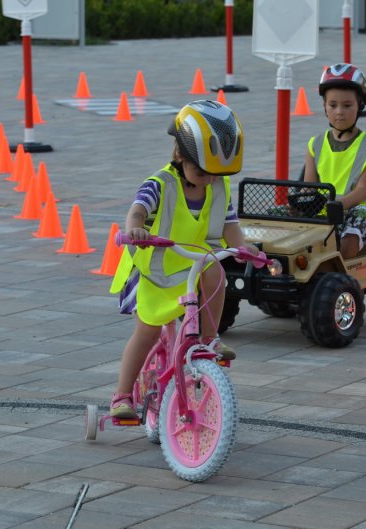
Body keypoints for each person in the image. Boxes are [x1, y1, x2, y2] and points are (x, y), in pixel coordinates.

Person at [108, 100, 258, 419]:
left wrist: (244, 248)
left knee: (216, 270)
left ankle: (209, 339)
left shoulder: (218, 186)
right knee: (147, 333)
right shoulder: (160, 184)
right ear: (179, 155)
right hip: (153, 272)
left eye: (215, 174)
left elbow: (230, 225)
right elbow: (138, 210)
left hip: (190, 264)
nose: (208, 180)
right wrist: (135, 229)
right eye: (200, 172)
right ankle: (122, 395)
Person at [304, 63, 366, 259]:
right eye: (333, 105)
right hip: (323, 207)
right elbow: (309, 186)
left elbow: (363, 190)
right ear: (324, 107)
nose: (339, 111)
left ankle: (340, 269)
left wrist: (338, 205)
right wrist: (301, 202)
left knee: (352, 233)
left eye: (347, 105)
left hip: (355, 208)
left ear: (360, 106)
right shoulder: (315, 144)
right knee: (273, 216)